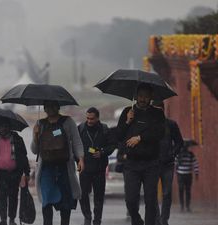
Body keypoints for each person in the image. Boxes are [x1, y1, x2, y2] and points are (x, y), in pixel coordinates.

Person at [116, 83, 165, 225]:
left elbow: (159, 133)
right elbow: (118, 135)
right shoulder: (127, 111)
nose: (143, 99)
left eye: (146, 96)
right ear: (136, 96)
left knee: (151, 199)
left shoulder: (157, 113)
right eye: (140, 96)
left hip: (151, 163)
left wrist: (140, 138)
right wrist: (127, 121)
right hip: (131, 163)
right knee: (130, 199)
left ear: (151, 97)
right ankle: (137, 220)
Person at [31, 100, 84, 225]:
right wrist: (35, 136)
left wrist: (81, 158)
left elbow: (76, 141)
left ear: (58, 107)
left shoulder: (68, 122)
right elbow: (34, 150)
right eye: (47, 106)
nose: (50, 108)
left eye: (53, 105)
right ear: (44, 108)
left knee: (66, 202)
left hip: (64, 168)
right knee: (46, 201)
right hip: (46, 170)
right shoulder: (40, 124)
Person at [0, 119, 31, 225]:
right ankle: (3, 219)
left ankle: (12, 219)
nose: (4, 128)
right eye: (2, 126)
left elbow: (23, 157)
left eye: (6, 126)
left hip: (14, 173)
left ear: (10, 127)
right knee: (2, 197)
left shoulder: (17, 139)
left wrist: (27, 173)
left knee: (13, 197)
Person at [77, 107, 115, 225]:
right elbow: (75, 146)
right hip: (85, 168)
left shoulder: (104, 129)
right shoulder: (81, 129)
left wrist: (102, 152)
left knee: (99, 197)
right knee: (83, 195)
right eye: (87, 118)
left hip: (99, 168)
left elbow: (112, 145)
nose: (89, 121)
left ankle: (97, 220)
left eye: (92, 119)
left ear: (98, 118)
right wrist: (78, 160)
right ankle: (87, 217)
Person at [151, 101, 183, 225]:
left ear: (163, 110)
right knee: (151, 194)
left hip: (167, 164)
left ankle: (164, 220)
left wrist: (173, 153)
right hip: (152, 164)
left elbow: (179, 142)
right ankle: (157, 219)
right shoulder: (149, 126)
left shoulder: (171, 124)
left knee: (167, 193)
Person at [175, 141, 199, 212]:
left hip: (188, 175)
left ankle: (187, 206)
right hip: (180, 175)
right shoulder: (178, 155)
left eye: (186, 146)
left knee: (188, 191)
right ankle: (182, 206)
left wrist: (196, 173)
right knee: (181, 190)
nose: (185, 148)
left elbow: (195, 164)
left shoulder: (191, 155)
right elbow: (175, 164)